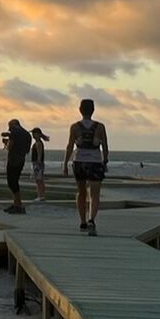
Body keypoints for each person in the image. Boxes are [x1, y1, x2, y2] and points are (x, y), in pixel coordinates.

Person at [64, 99, 109, 236]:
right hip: (95, 162)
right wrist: (105, 161)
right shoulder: (100, 127)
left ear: (80, 110)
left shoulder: (75, 127)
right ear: (93, 110)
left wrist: (65, 163)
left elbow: (70, 146)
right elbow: (105, 147)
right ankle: (91, 220)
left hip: (79, 161)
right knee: (95, 194)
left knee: (81, 192)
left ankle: (82, 221)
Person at [2, 118, 30, 214]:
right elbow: (27, 150)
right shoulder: (27, 134)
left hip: (13, 159)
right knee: (15, 181)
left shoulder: (14, 131)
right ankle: (16, 204)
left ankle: (18, 205)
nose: (9, 129)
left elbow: (10, 147)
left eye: (9, 127)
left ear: (13, 125)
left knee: (11, 182)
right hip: (21, 160)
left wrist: (6, 143)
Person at [29, 127, 49, 202]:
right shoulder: (37, 143)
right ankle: (40, 195)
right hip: (37, 163)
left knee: (39, 180)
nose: (33, 135)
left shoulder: (38, 143)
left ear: (38, 134)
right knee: (38, 180)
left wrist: (38, 163)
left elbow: (39, 154)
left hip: (37, 163)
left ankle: (41, 195)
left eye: (34, 134)